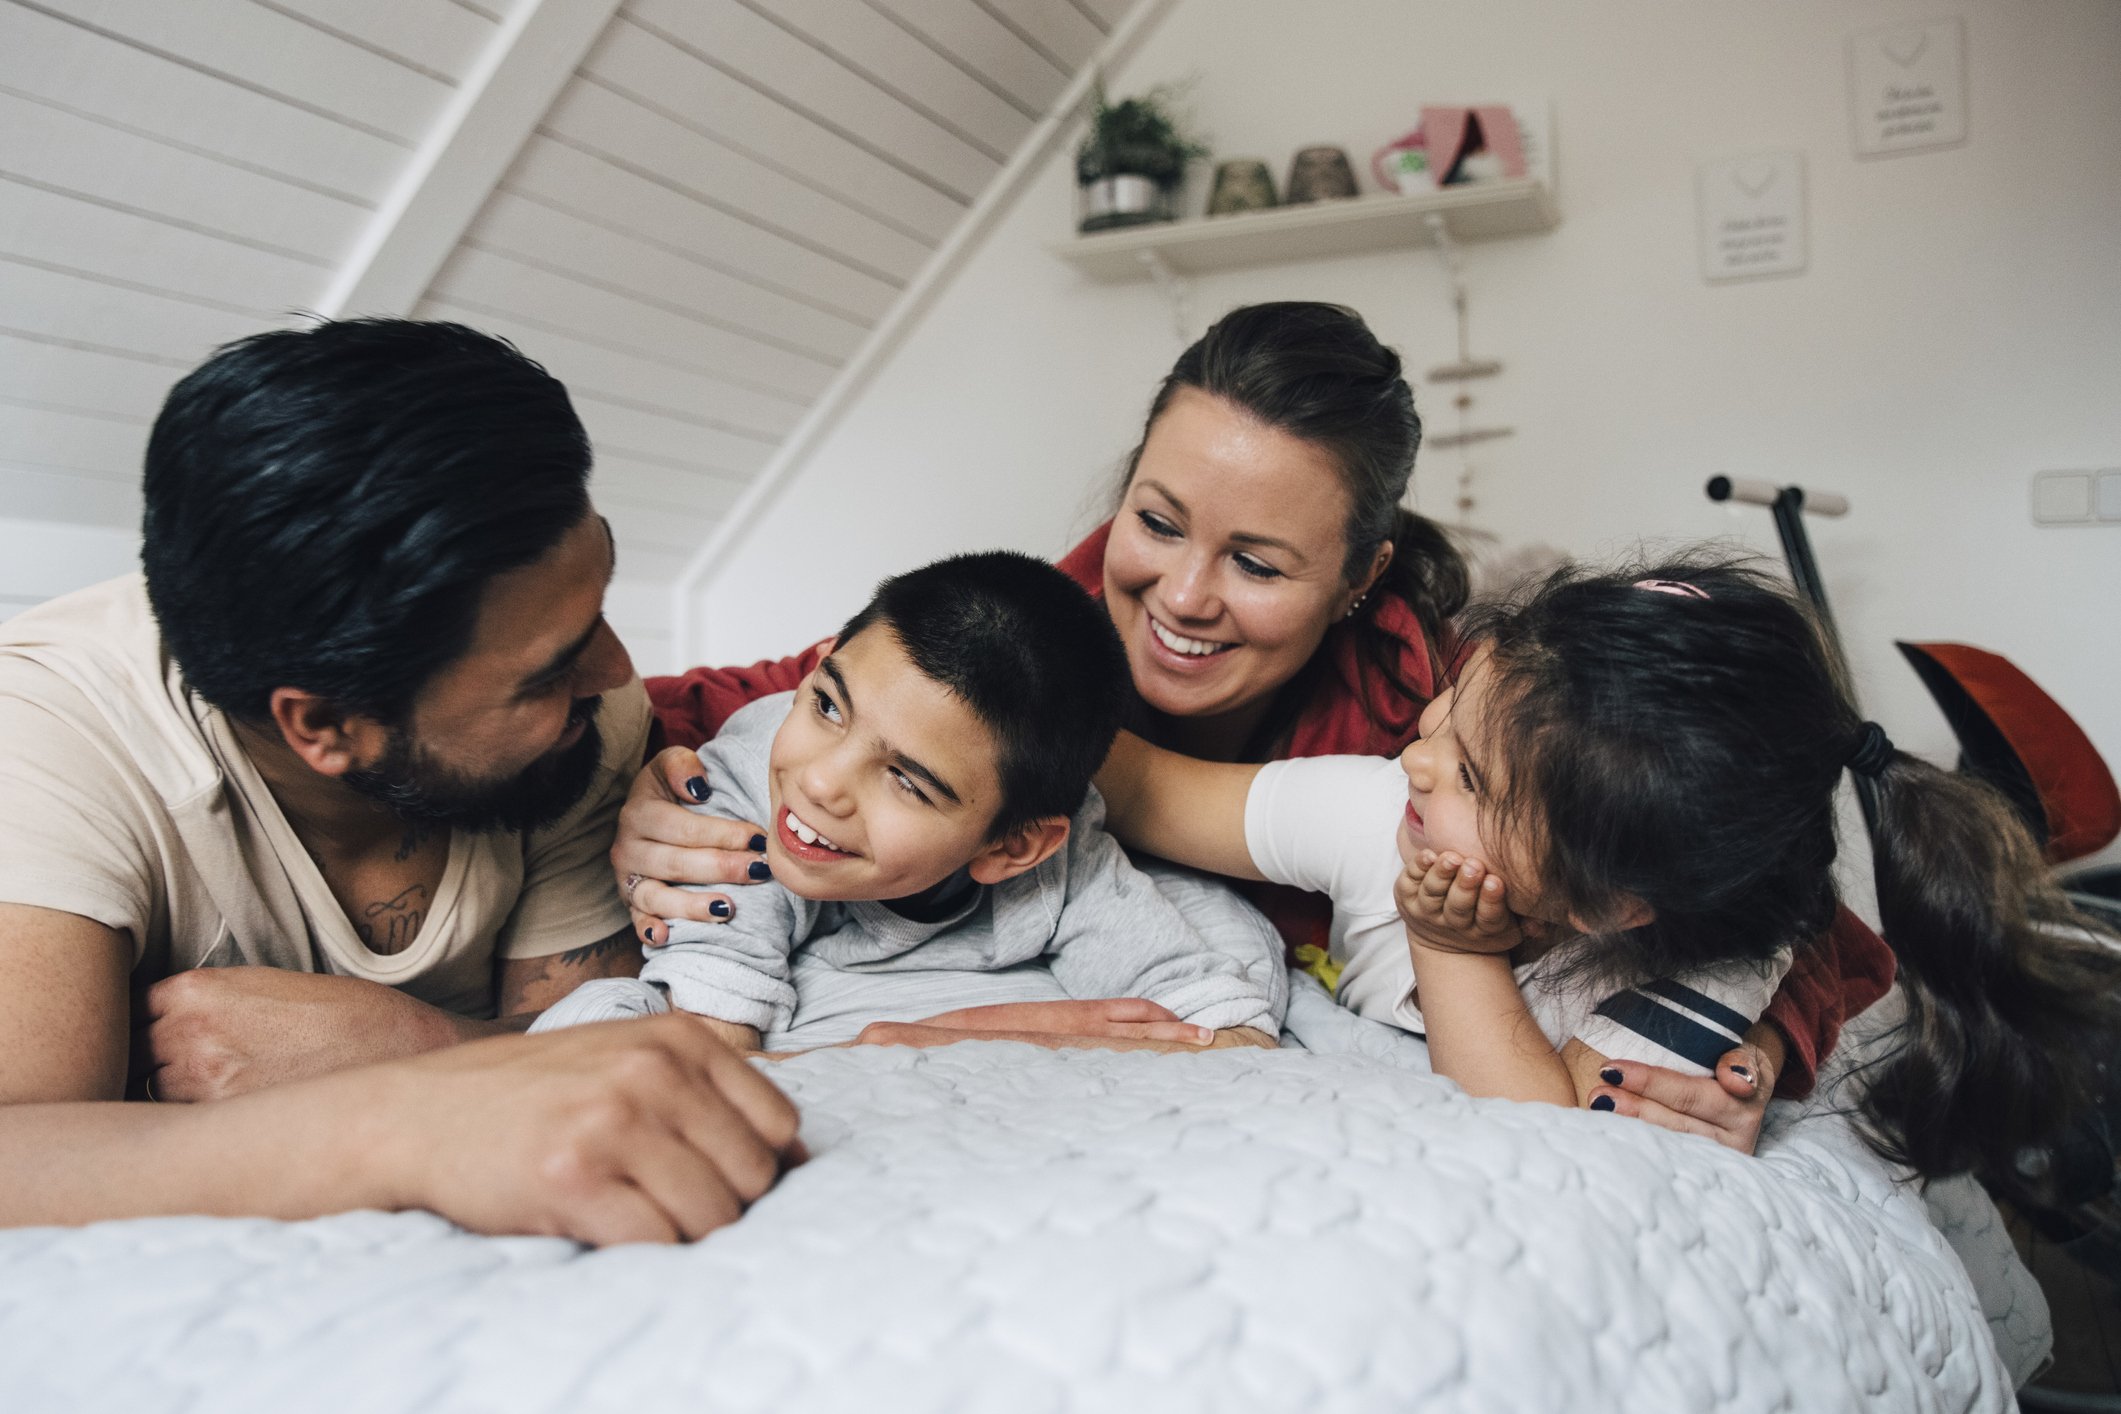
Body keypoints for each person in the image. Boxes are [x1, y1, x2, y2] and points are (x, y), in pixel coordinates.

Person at [616, 302, 1895, 1152]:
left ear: (1359, 578)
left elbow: (1775, 887)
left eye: (1259, 563)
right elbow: (725, 703)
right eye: (1158, 523)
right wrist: (643, 783)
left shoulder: (1446, 721)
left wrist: (1749, 1050)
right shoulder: (1022, 647)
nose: (1181, 596)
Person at [0, 318, 801, 1242]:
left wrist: (411, 1047)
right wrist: (389, 1121)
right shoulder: (47, 743)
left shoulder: (585, 725)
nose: (618, 672)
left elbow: (587, 1038)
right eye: (545, 675)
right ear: (327, 726)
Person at [1098, 555, 2121, 1187]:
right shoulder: (1385, 808)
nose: (1415, 754)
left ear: (1610, 903)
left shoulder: (1718, 967)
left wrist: (1451, 946)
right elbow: (1147, 792)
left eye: (1468, 773)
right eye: (1443, 712)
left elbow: (1549, 1136)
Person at [537, 552, 1285, 1050]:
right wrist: (926, 1038)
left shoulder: (1061, 863)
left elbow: (1222, 1030)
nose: (822, 781)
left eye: (905, 780)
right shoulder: (739, 801)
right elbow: (708, 1049)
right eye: (828, 706)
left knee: (1223, 923)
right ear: (823, 662)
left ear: (1012, 848)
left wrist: (973, 1033)